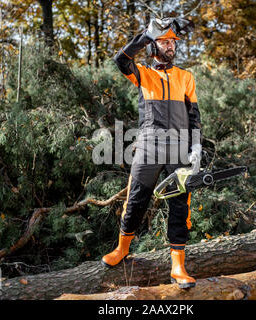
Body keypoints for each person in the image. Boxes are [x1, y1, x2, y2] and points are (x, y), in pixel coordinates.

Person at [101, 18, 202, 289]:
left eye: (173, 42)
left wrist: (196, 147)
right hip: (148, 146)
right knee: (135, 201)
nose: (171, 46)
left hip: (180, 148)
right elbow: (120, 60)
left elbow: (194, 116)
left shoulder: (186, 77)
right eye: (165, 41)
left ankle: (178, 266)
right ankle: (122, 248)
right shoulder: (143, 73)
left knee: (180, 206)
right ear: (154, 45)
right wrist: (147, 34)